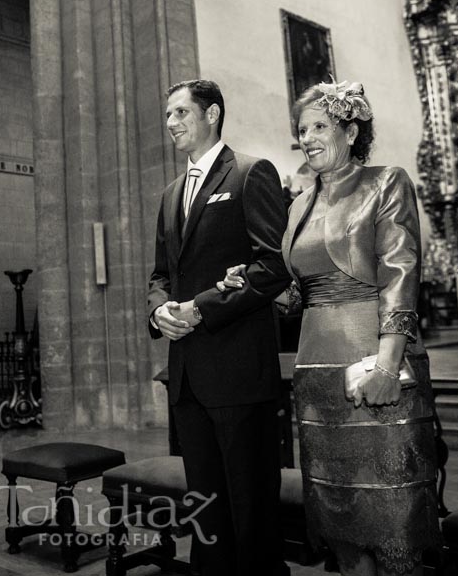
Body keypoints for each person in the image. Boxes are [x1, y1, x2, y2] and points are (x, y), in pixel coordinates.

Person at [220, 80, 441, 576]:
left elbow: (401, 273)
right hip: (316, 371)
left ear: (351, 128)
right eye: (302, 129)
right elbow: (299, 295)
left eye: (320, 126)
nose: (309, 137)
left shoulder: (386, 181)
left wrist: (388, 363)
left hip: (375, 362)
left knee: (391, 505)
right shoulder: (298, 204)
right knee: (340, 508)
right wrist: (252, 285)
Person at [147, 79, 292, 575]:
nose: (171, 124)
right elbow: (162, 274)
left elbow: (272, 266)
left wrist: (200, 308)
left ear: (212, 114)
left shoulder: (251, 173)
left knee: (251, 506)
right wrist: (160, 310)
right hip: (187, 375)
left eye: (181, 113)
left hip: (238, 370)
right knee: (205, 508)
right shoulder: (169, 195)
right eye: (167, 116)